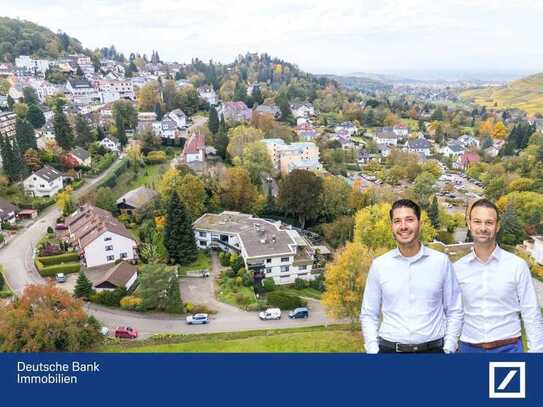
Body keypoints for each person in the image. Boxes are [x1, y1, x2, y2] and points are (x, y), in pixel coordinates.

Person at [360, 199, 463, 353]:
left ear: (419, 224)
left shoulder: (441, 262)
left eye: (409, 220)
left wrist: (448, 348)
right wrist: (373, 350)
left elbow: (455, 310)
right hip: (389, 351)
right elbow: (368, 314)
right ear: (392, 227)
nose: (403, 226)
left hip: (434, 351)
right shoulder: (379, 265)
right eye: (397, 221)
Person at [455, 199, 543, 353]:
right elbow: (451, 312)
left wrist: (536, 354)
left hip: (508, 349)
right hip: (468, 350)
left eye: (489, 222)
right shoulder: (456, 269)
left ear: (497, 226)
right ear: (469, 224)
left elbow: (531, 313)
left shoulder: (517, 266)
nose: (483, 228)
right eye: (477, 221)